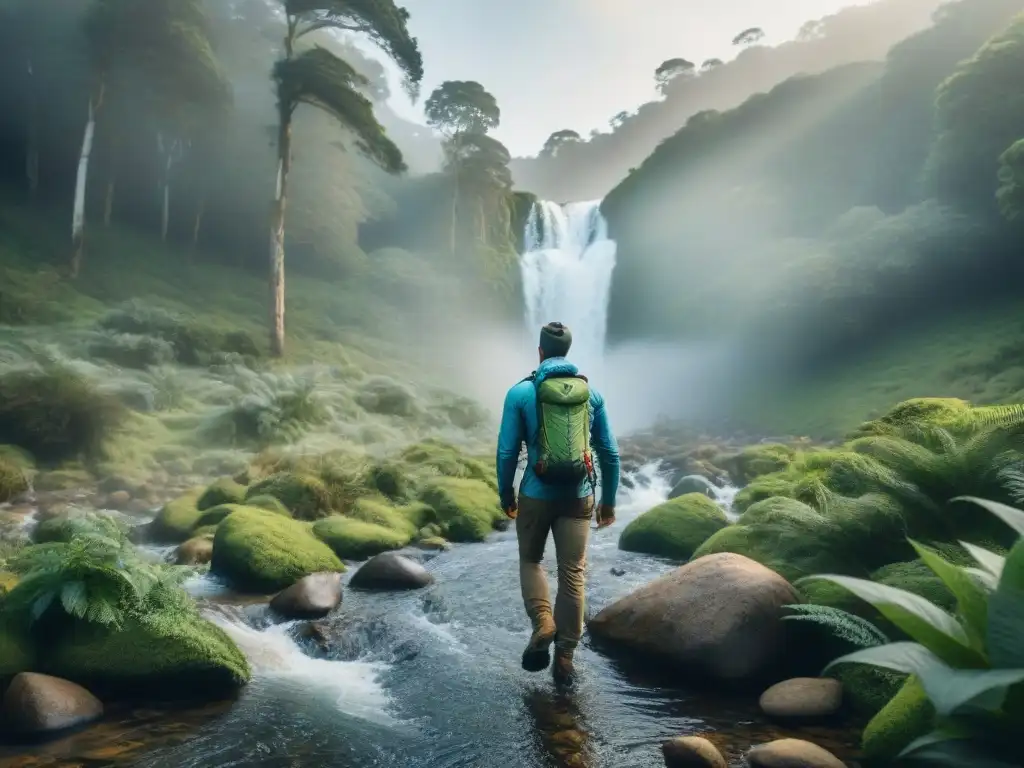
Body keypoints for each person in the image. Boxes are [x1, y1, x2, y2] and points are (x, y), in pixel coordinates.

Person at [496, 321, 620, 686]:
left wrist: (507, 494)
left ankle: (543, 623)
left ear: (539, 353)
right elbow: (609, 453)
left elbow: (507, 451)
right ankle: (565, 657)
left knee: (531, 561)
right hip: (579, 497)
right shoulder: (590, 395)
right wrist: (609, 501)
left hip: (535, 494)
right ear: (567, 352)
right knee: (573, 573)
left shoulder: (520, 394)